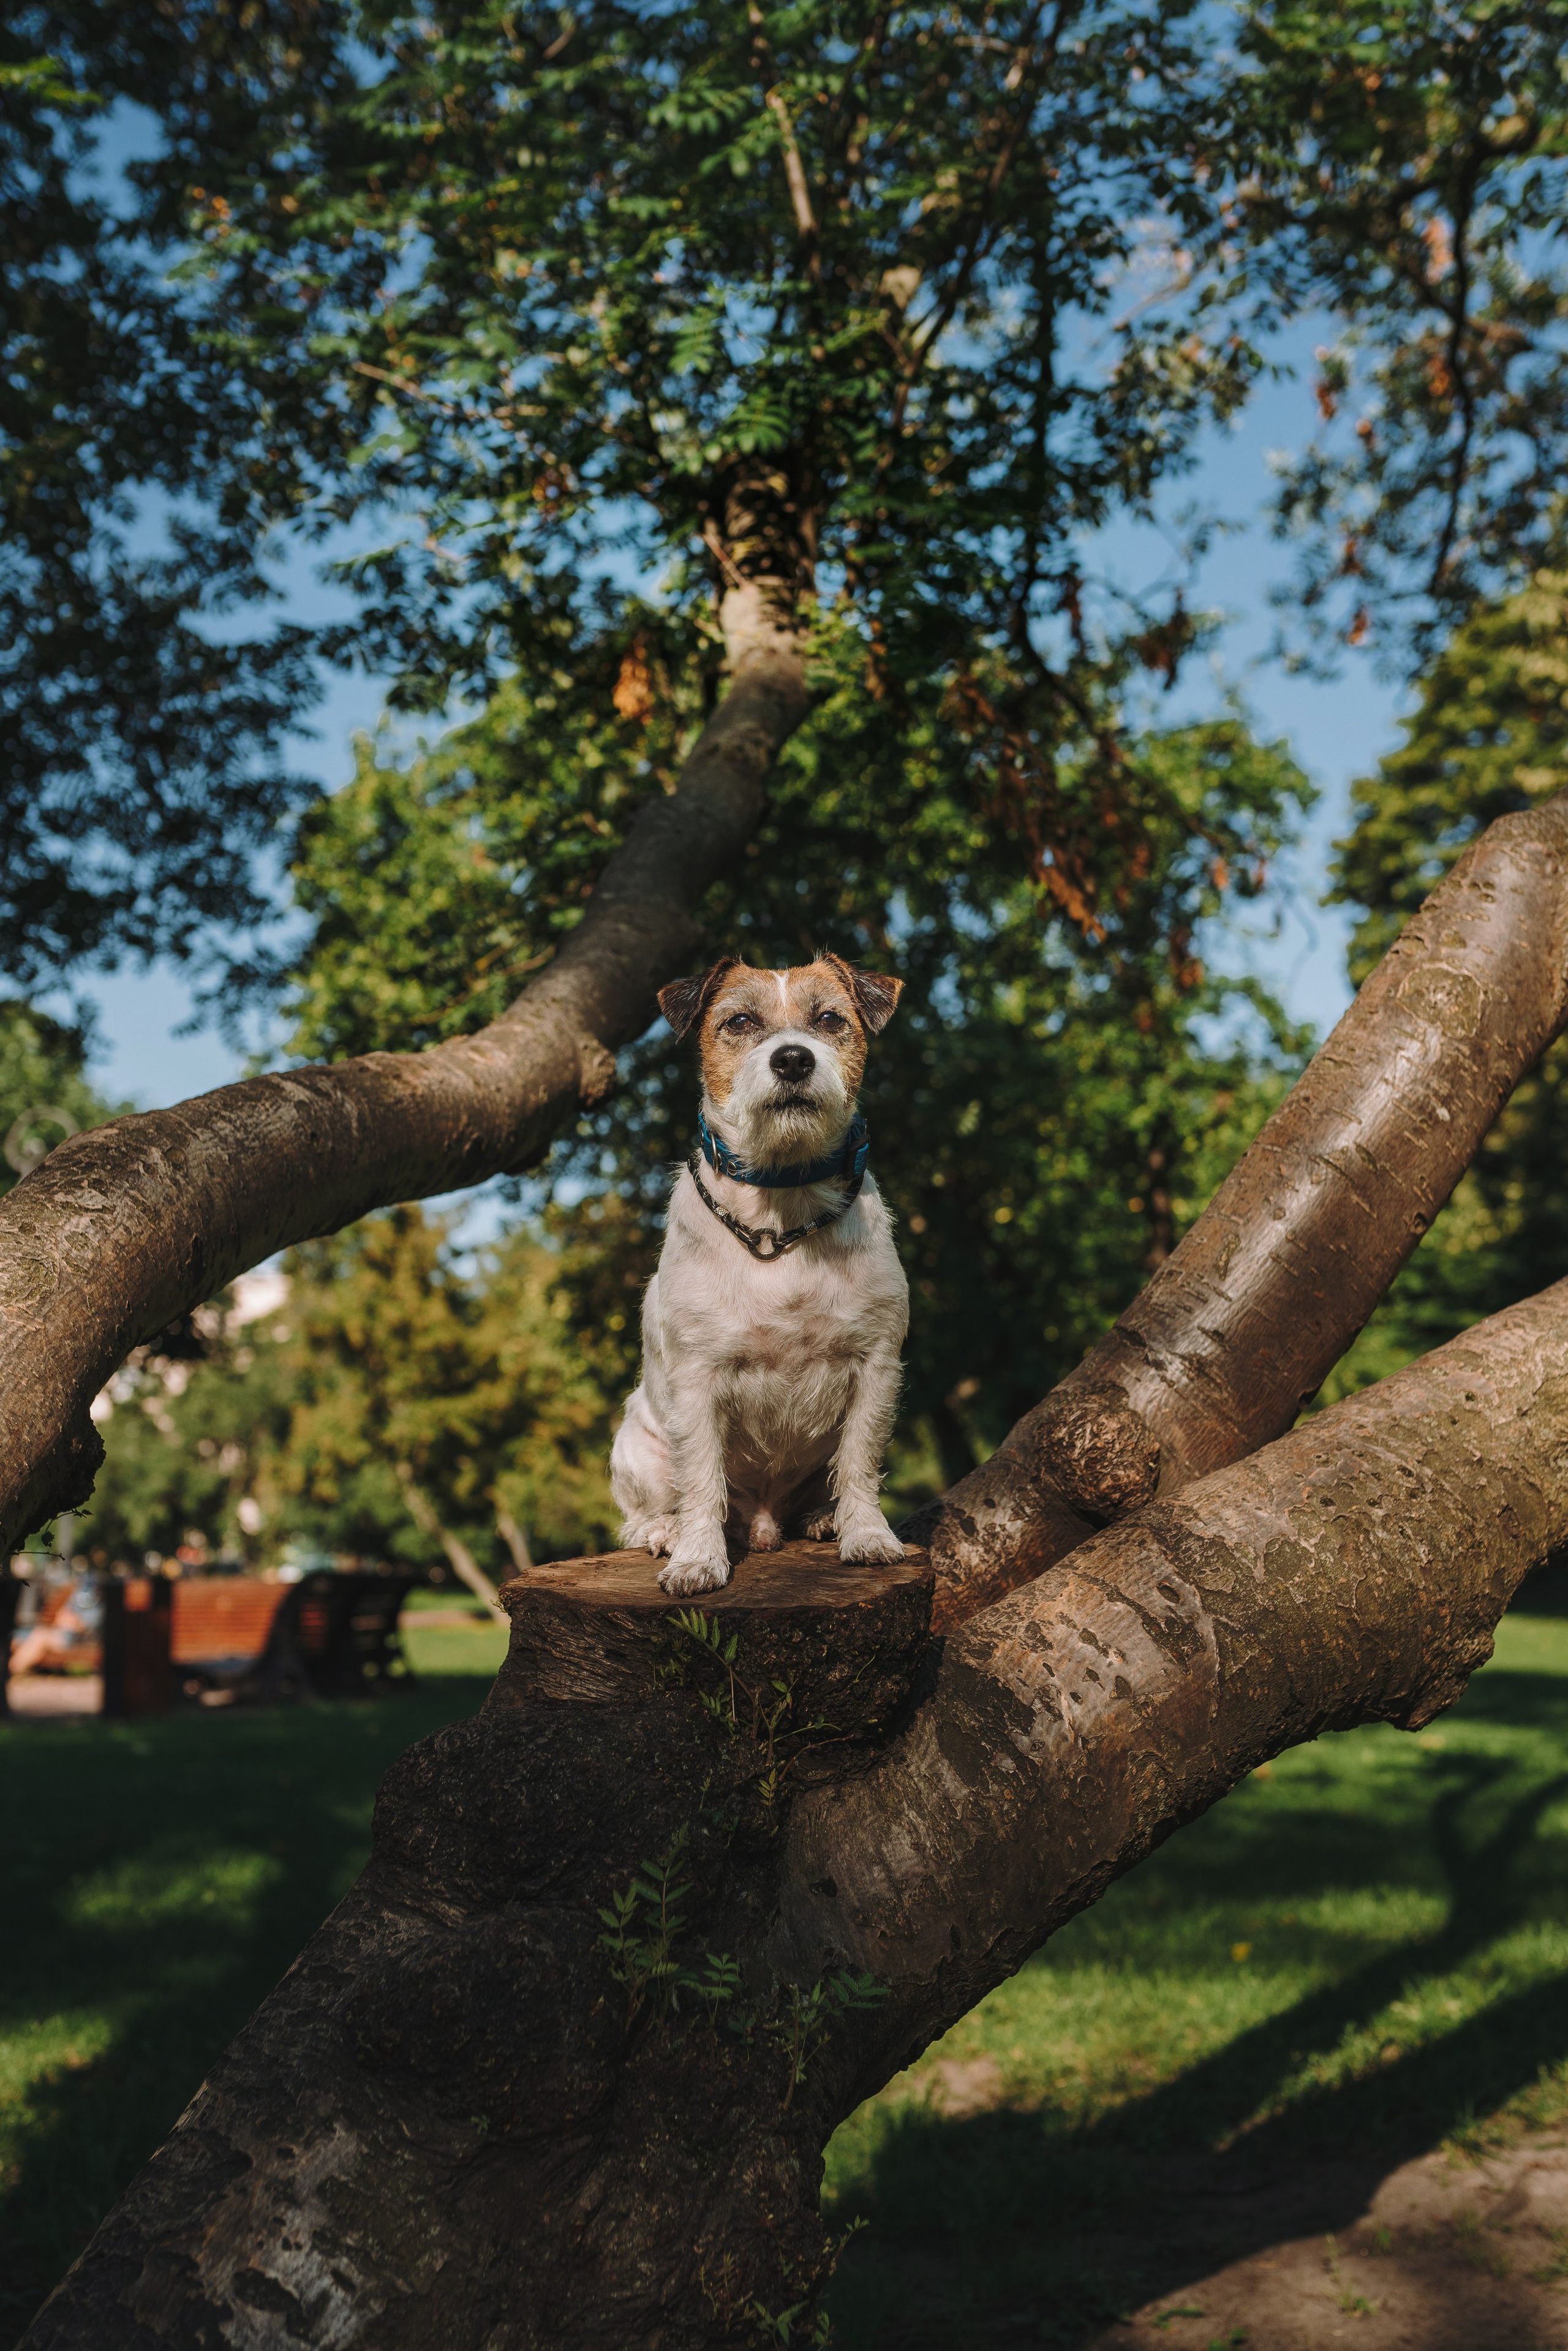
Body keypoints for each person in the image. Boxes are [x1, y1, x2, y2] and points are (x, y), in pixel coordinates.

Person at [10, 1569, 104, 1676]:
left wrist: (68, 1620)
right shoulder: (76, 1599)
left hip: (69, 1639)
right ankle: (13, 1669)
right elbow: (61, 1617)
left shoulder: (95, 1605)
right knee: (16, 1639)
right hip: (57, 1633)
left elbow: (85, 1625)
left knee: (40, 1636)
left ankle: (11, 1671)